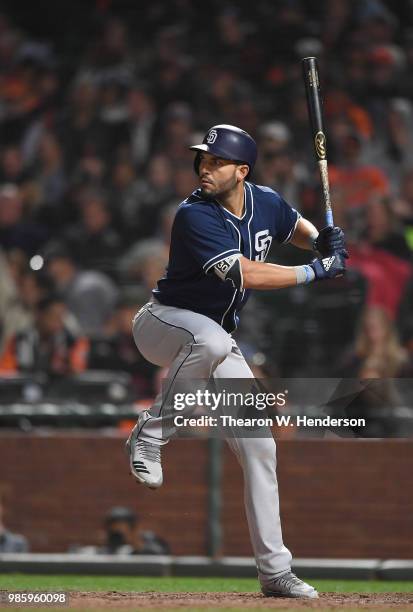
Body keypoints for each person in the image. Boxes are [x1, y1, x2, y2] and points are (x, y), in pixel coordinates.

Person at [125, 124, 347, 599]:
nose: (205, 168)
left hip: (217, 339)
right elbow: (244, 274)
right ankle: (149, 434)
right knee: (210, 341)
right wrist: (314, 270)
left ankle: (274, 571)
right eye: (203, 161)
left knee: (259, 447)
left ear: (241, 171)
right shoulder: (193, 214)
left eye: (216, 162)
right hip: (163, 324)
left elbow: (296, 225)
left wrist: (322, 241)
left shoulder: (264, 199)